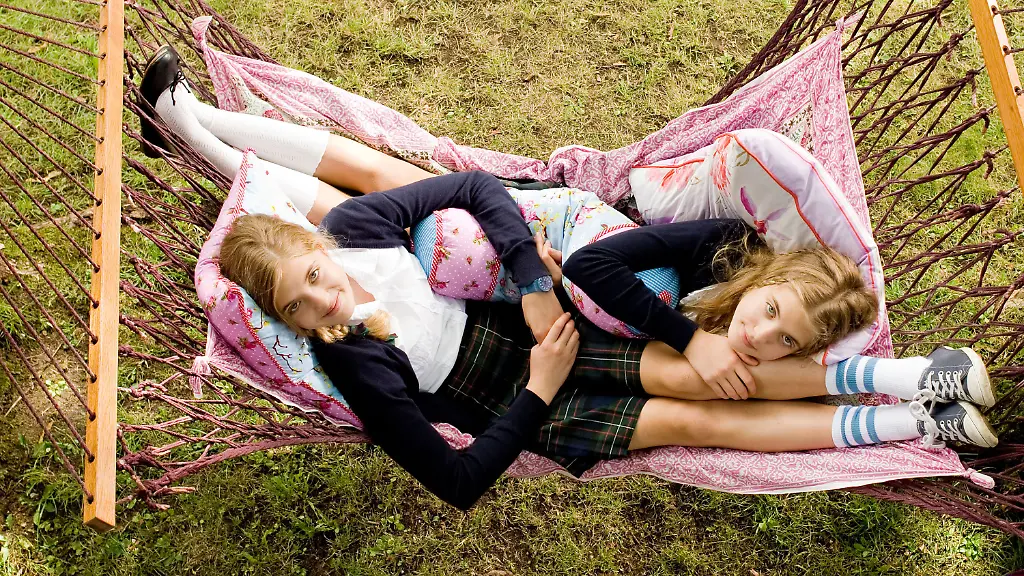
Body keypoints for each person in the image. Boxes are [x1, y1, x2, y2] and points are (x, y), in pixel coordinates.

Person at [137, 46, 1000, 510]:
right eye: (300, 306)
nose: (324, 298)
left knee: (701, 373)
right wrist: (539, 390)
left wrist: (530, 284)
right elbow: (457, 483)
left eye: (315, 276)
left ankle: (912, 378)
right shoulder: (353, 357)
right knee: (698, 412)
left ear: (318, 247)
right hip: (519, 400)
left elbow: (468, 188)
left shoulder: (350, 235)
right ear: (291, 319)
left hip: (529, 313)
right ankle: (913, 419)